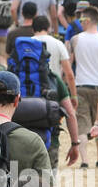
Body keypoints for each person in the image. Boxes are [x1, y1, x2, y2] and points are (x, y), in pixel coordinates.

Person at [30, 14, 81, 169]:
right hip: (53, 94)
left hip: (30, 93)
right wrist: (72, 94)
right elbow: (69, 73)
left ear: (33, 28)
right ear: (49, 28)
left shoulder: (28, 43)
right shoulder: (57, 43)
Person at [70, 6, 98, 167]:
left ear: (87, 20)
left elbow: (69, 64)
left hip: (80, 85)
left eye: (81, 20)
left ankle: (84, 161)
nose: (80, 22)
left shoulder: (75, 40)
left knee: (82, 123)